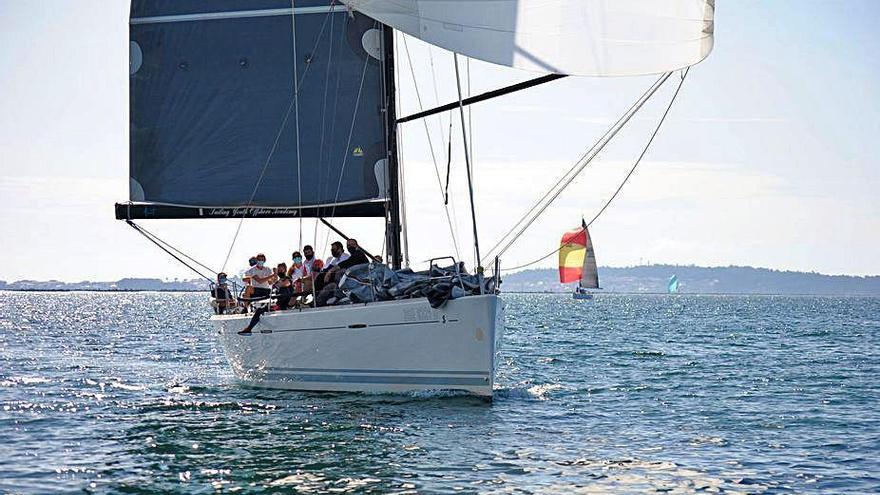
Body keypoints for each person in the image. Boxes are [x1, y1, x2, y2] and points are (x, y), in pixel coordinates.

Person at [315, 238, 370, 306]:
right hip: (349, 282)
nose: (350, 247)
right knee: (329, 286)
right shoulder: (337, 259)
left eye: (352, 245)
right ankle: (316, 302)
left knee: (340, 272)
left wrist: (330, 271)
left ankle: (339, 296)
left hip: (360, 281)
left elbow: (346, 263)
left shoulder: (359, 254)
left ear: (357, 245)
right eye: (348, 245)